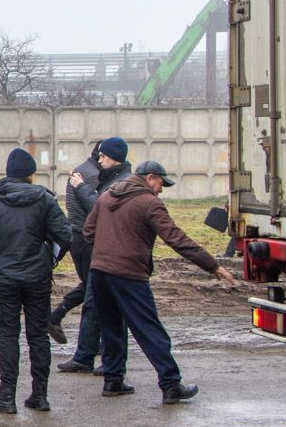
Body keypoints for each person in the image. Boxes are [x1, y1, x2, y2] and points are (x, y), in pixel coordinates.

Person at [84, 160, 235, 403]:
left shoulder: (106, 197)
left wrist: (107, 251)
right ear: (150, 177)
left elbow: (88, 232)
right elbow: (176, 238)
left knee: (111, 327)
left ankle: (113, 380)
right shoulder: (149, 203)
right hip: (129, 274)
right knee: (149, 329)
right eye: (161, 183)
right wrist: (212, 265)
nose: (161, 189)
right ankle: (170, 384)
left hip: (99, 272)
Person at [0, 148, 71, 414]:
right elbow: (66, 235)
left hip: (4, 277)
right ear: (31, 174)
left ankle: (7, 395)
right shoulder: (45, 200)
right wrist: (51, 259)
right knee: (38, 335)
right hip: (37, 277)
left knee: (7, 334)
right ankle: (40, 394)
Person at [56, 136, 132, 375]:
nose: (100, 159)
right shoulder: (107, 176)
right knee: (94, 300)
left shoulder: (116, 180)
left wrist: (81, 187)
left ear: (112, 157)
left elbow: (99, 206)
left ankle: (107, 364)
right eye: (99, 156)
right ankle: (90, 357)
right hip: (99, 245)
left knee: (105, 303)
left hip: (107, 249)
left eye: (104, 156)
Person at [47, 140, 103, 344]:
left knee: (91, 284)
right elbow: (98, 207)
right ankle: (89, 344)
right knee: (94, 287)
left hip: (77, 236)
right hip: (87, 238)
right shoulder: (93, 176)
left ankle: (57, 316)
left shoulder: (82, 170)